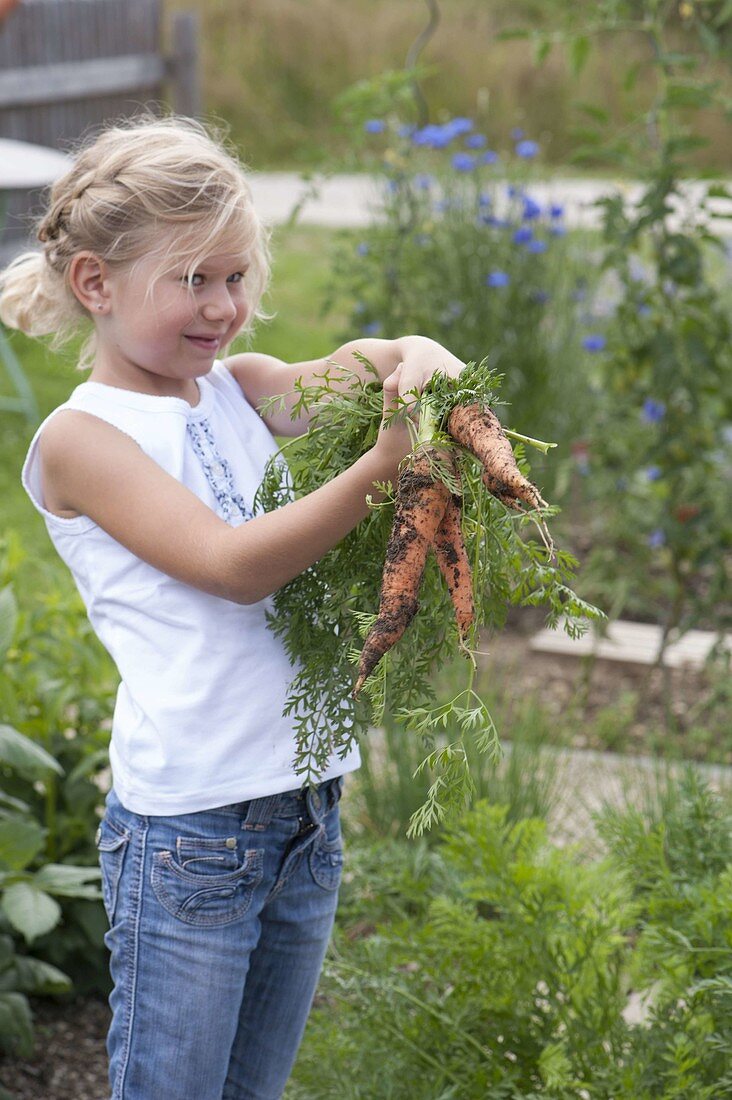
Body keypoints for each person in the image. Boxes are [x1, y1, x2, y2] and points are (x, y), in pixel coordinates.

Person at [0, 112, 464, 1100]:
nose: (223, 306)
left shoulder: (236, 386)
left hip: (305, 806)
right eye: (194, 280)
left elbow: (348, 372)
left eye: (237, 278)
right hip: (193, 831)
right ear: (96, 284)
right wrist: (383, 470)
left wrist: (409, 353)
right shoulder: (84, 440)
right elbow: (229, 563)